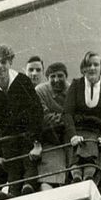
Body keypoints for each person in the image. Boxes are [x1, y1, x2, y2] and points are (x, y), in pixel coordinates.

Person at [0, 43, 43, 198]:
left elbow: (37, 111)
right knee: (13, 166)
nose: (0, 66)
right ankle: (12, 193)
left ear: (10, 62)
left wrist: (37, 143)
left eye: (3, 62)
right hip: (8, 137)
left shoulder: (22, 81)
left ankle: (28, 186)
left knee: (29, 161)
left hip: (28, 133)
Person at [63, 51, 101, 182]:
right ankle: (76, 177)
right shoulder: (76, 84)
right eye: (89, 65)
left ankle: (88, 178)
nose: (92, 68)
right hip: (76, 129)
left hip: (96, 131)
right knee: (76, 150)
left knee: (93, 149)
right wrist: (72, 135)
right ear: (83, 68)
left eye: (96, 65)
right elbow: (67, 113)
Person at [35, 62, 70, 191]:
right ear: (47, 78)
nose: (56, 80)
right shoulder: (40, 91)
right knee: (49, 175)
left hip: (69, 138)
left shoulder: (73, 91)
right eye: (52, 76)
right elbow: (42, 118)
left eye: (60, 76)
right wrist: (66, 119)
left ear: (66, 76)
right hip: (50, 139)